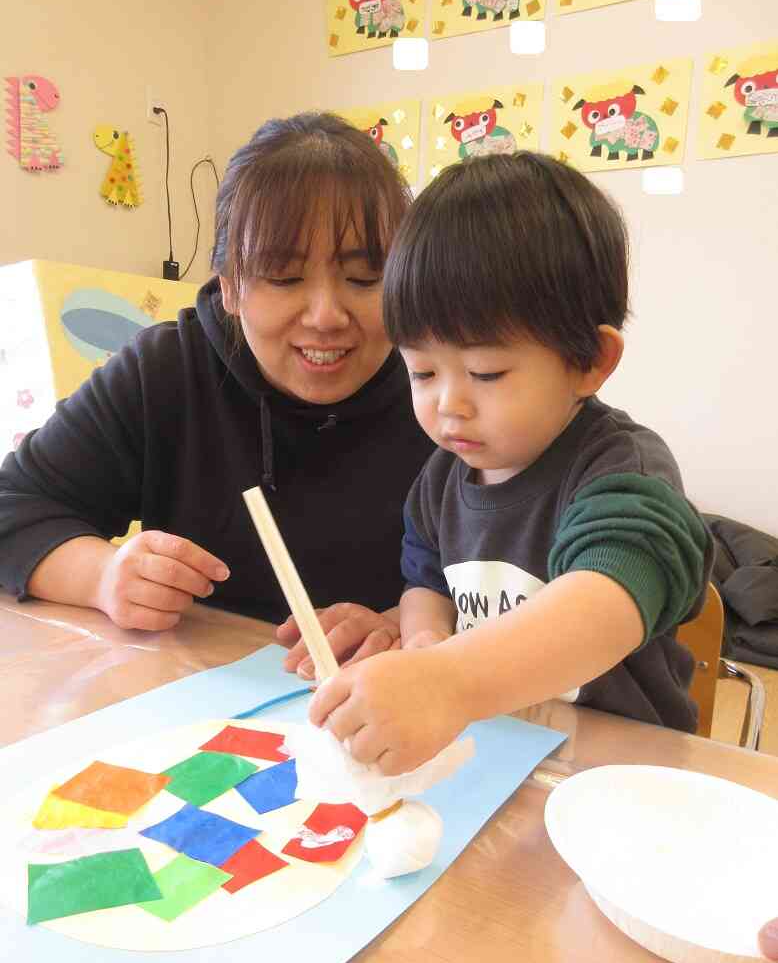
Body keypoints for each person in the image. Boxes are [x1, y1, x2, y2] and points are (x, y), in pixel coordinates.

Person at [309, 151, 713, 776]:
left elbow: (609, 596)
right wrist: (424, 644)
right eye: (421, 371)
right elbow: (426, 584)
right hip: (499, 761)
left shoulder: (620, 469)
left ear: (591, 362)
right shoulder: (440, 480)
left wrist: (446, 680)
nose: (449, 406)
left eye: (486, 372)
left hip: (619, 775)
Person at [0, 112, 432, 661]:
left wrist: (415, 623)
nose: (326, 315)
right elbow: (13, 505)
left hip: (410, 714)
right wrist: (103, 577)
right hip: (201, 709)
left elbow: (547, 576)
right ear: (229, 286)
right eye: (284, 277)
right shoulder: (166, 370)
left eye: (365, 278)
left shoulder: (450, 385)